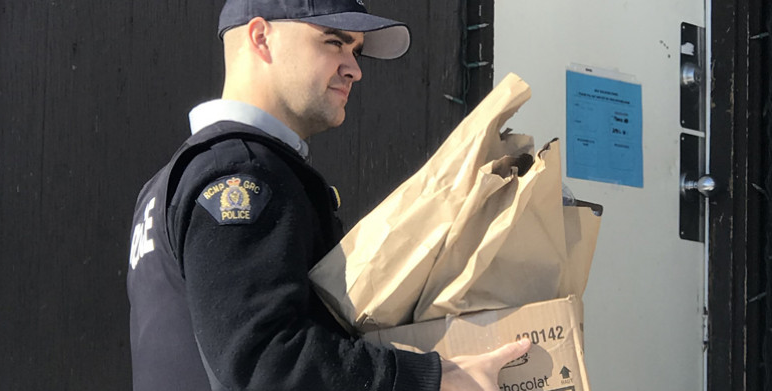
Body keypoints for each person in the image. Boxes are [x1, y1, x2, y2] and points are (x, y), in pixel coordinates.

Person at [126, 0, 530, 390]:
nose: (354, 68)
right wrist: (433, 378)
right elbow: (264, 359)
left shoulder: (176, 179)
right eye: (333, 42)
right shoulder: (241, 174)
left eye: (355, 50)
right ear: (261, 37)